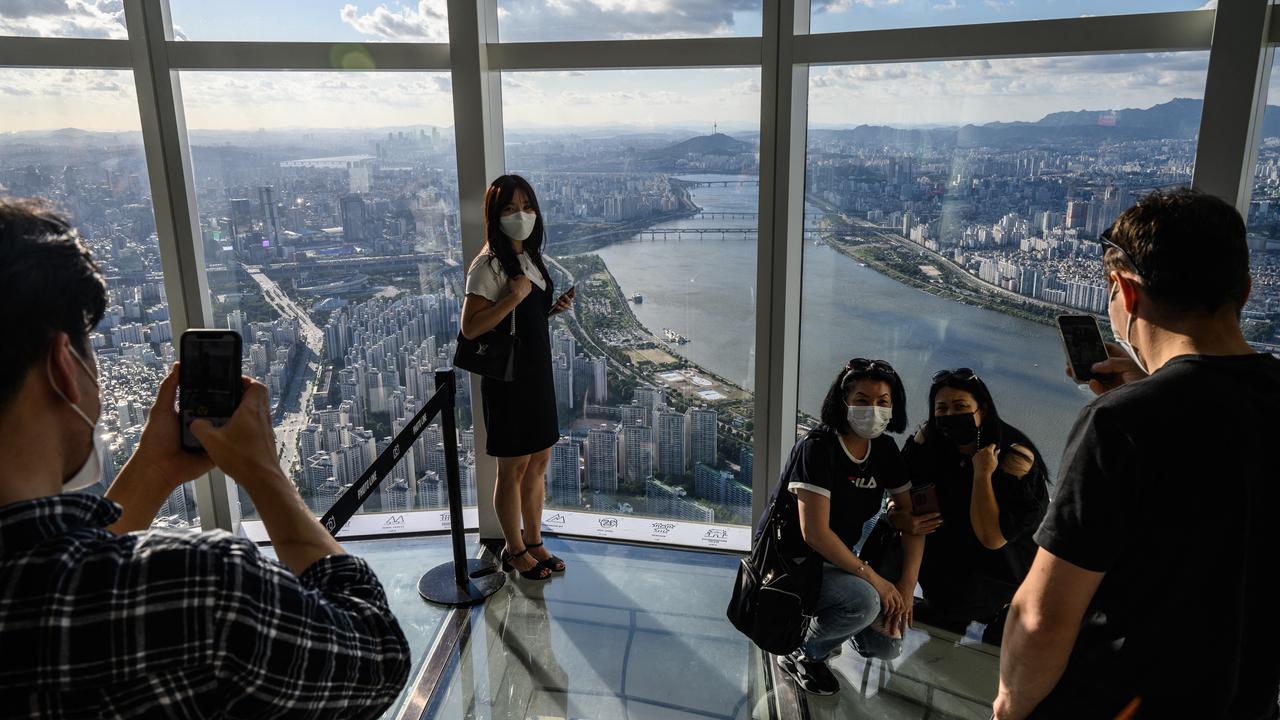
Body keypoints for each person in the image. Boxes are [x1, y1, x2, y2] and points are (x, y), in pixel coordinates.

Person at [0, 198, 411, 717]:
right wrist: (263, 474)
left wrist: (153, 470)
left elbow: (58, 588)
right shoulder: (197, 597)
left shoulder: (71, 600)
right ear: (64, 367)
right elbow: (375, 659)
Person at [994, 188, 1280, 719]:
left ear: (1125, 292)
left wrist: (1010, 705)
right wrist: (1149, 384)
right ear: (1242, 290)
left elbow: (1041, 617)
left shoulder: (1122, 424)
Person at [775, 358, 925, 696]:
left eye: (882, 401)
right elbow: (814, 535)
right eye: (861, 400)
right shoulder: (818, 448)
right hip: (796, 565)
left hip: (842, 561)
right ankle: (804, 652)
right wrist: (874, 581)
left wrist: (905, 587)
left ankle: (846, 622)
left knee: (886, 647)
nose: (873, 409)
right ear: (843, 402)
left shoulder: (884, 449)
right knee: (866, 602)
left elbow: (913, 518)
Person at [460, 175, 576, 581]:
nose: (521, 215)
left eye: (527, 206)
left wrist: (550, 309)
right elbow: (471, 328)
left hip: (537, 374)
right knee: (513, 468)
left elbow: (521, 316)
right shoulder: (487, 265)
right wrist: (512, 297)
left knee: (539, 462)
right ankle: (514, 549)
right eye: (509, 208)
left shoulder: (530, 256)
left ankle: (535, 539)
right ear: (494, 215)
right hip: (508, 381)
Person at [885, 368, 1048, 644]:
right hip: (945, 566)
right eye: (942, 408)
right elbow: (900, 491)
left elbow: (992, 537)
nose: (950, 415)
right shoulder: (929, 442)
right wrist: (895, 516)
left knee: (990, 642)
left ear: (982, 409)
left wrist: (982, 473)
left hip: (999, 574)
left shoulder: (1014, 458)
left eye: (960, 406)